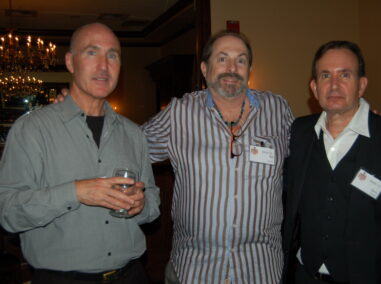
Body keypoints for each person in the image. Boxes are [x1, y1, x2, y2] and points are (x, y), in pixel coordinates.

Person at [0, 22, 160, 284]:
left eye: (113, 55)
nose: (104, 65)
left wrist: (140, 205)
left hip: (131, 275)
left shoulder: (133, 134)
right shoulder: (31, 129)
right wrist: (75, 192)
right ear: (70, 62)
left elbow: (152, 201)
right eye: (91, 52)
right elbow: (6, 212)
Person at [142, 31, 294, 283]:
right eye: (222, 59)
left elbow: (314, 149)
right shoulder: (180, 113)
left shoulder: (277, 110)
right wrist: (89, 112)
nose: (232, 68)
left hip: (261, 270)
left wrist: (358, 126)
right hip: (194, 270)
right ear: (204, 68)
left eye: (241, 60)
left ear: (250, 69)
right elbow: (127, 145)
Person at [282, 41, 381, 284]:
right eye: (325, 75)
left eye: (345, 74)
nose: (334, 85)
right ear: (314, 87)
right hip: (305, 276)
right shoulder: (297, 133)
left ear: (361, 85)